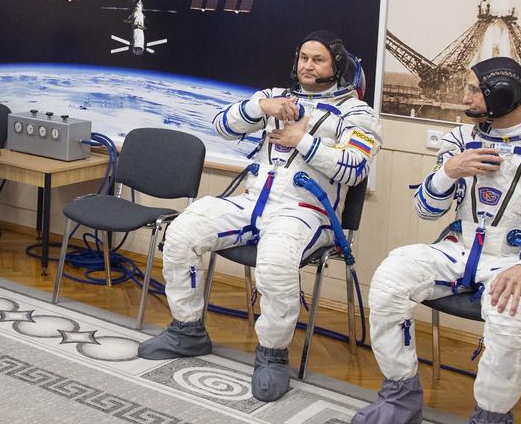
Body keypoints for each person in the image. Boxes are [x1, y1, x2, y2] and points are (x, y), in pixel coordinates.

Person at [351, 56, 521, 424]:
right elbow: (425, 210)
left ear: (502, 94)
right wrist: (447, 171)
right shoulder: (459, 140)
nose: (464, 97)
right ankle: (401, 392)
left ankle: (491, 421)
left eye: (474, 89)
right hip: (460, 252)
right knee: (391, 276)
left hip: (518, 262)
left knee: (509, 309)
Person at [137, 31, 382, 403]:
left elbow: (353, 169)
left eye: (317, 59)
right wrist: (260, 108)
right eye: (303, 57)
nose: (307, 65)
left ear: (338, 67)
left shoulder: (356, 114)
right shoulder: (275, 99)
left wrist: (303, 141)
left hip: (307, 212)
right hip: (255, 202)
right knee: (183, 230)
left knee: (275, 262)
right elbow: (221, 125)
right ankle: (187, 329)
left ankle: (272, 355)